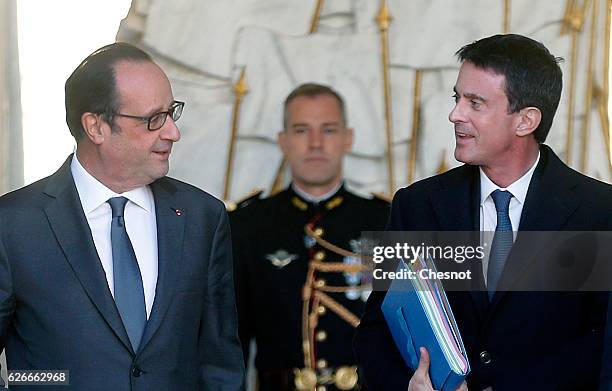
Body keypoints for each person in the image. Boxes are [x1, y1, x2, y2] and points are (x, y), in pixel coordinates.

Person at [354, 34, 612, 390]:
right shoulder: (415, 205)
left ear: (526, 120)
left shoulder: (599, 212)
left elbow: (602, 348)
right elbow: (374, 331)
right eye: (457, 98)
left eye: (475, 103)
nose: (455, 114)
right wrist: (407, 386)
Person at [0, 43, 244, 390]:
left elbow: (220, 366)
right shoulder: (13, 226)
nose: (173, 132)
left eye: (171, 113)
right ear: (96, 127)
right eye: (152, 119)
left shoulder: (202, 217)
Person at [230, 83, 389, 390]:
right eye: (302, 130)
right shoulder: (246, 226)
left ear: (348, 138)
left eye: (328, 130)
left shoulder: (385, 222)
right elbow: (229, 344)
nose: (315, 143)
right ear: (283, 141)